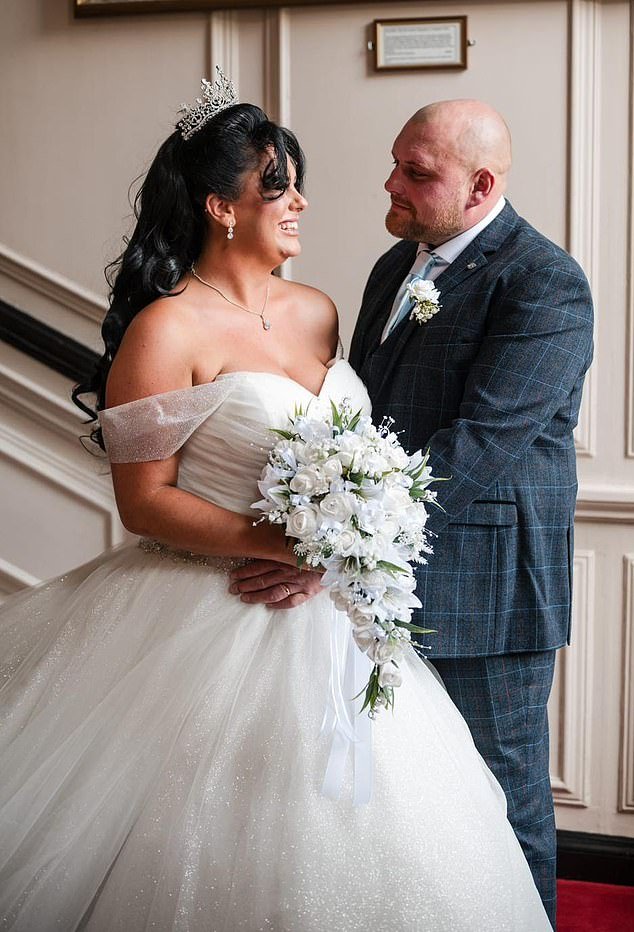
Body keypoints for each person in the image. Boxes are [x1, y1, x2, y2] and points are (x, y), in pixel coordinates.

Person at [0, 77, 551, 931]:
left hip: (337, 613)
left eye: (297, 184)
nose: (301, 202)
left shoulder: (320, 311)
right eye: (278, 187)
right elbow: (144, 503)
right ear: (221, 208)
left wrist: (342, 547)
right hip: (211, 607)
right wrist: (290, 547)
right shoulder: (166, 329)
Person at [232, 99, 594, 928]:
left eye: (416, 172)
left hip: (485, 594)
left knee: (502, 804)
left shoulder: (544, 282)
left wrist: (337, 547)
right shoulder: (395, 266)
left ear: (481, 186)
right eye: (396, 162)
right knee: (414, 807)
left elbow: (479, 447)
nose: (390, 183)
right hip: (374, 583)